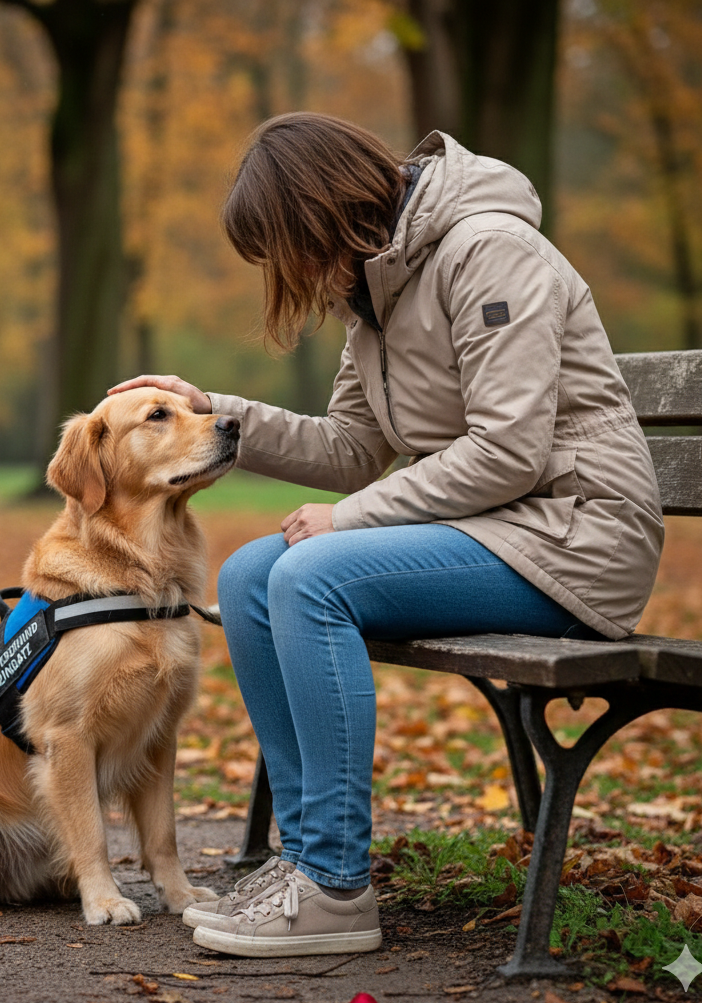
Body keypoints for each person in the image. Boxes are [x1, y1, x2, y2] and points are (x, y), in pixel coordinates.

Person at [108, 112, 664, 958]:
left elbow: (510, 450)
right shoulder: (374, 291)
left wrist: (352, 518)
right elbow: (351, 448)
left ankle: (334, 883)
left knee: (310, 575)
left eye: (286, 249)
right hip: (496, 529)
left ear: (321, 215)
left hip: (575, 537)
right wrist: (216, 414)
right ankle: (304, 861)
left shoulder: (488, 250)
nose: (292, 276)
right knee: (255, 572)